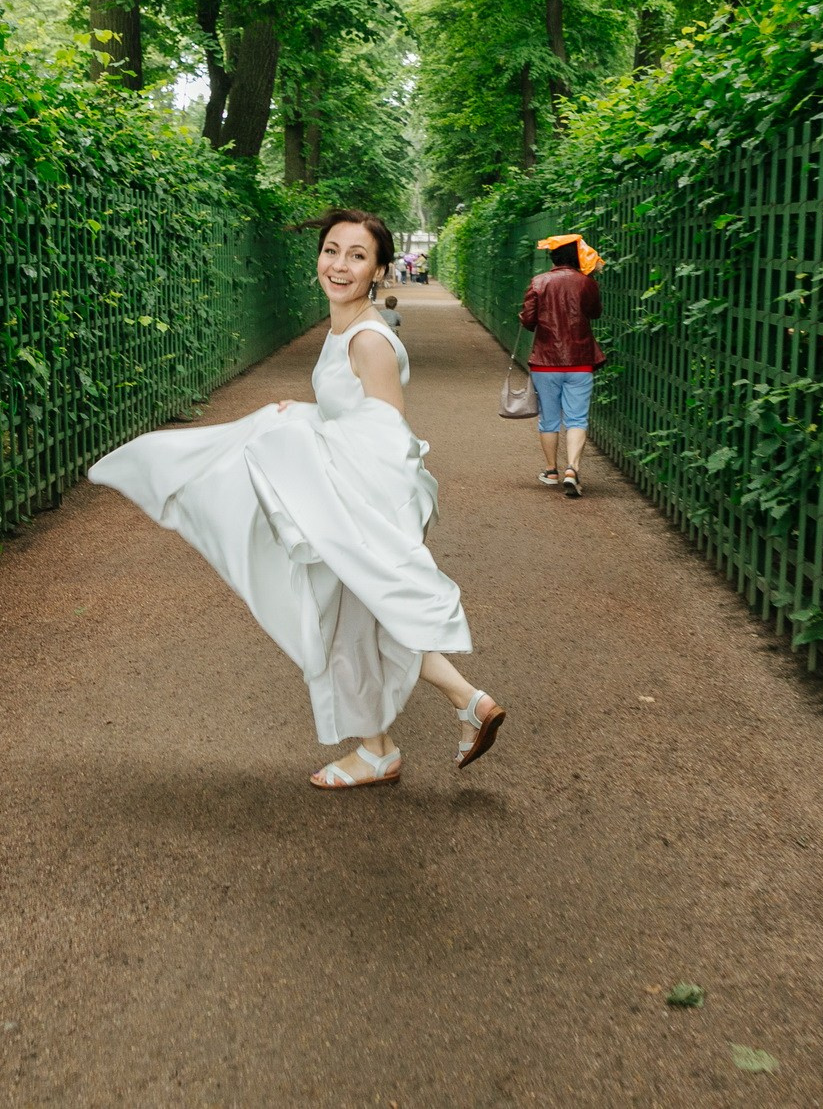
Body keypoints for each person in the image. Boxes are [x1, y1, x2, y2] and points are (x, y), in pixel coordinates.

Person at [89, 208, 505, 789]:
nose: (339, 264)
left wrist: (305, 439)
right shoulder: (343, 327)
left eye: (357, 256)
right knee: (359, 623)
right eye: (332, 250)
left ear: (380, 268)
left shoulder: (367, 341)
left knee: (350, 622)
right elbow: (352, 415)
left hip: (366, 502)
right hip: (350, 498)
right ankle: (443, 716)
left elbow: (386, 438)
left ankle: (410, 734)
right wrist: (308, 414)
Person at [520, 234, 604, 498]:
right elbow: (595, 312)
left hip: (546, 361)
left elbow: (529, 320)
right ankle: (573, 469)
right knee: (577, 417)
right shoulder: (586, 283)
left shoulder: (539, 282)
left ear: (553, 258)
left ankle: (551, 470)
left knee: (549, 419)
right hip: (580, 360)